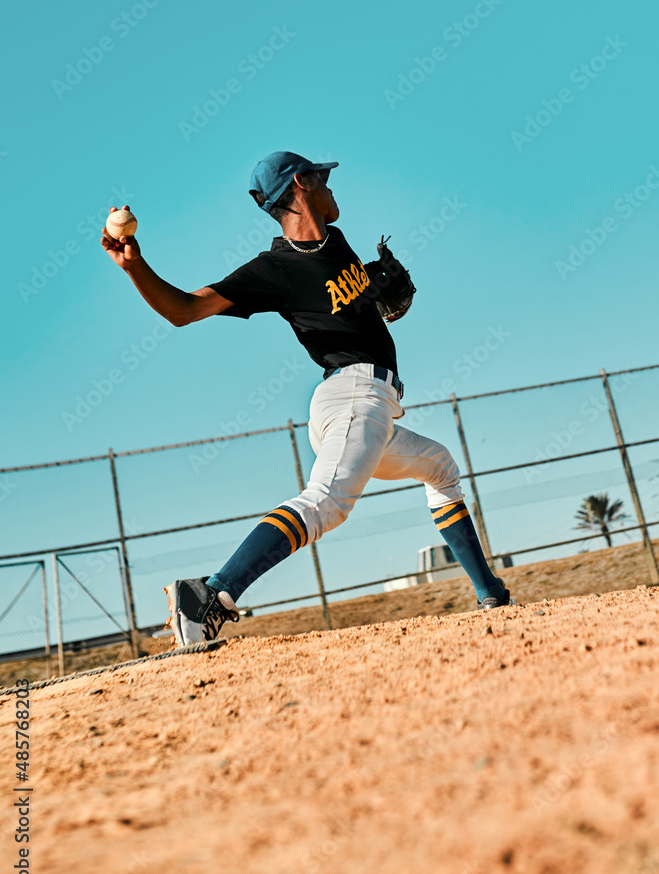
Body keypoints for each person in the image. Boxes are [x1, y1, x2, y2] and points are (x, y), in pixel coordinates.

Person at [101, 151, 514, 647]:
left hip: (369, 408)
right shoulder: (273, 269)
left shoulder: (337, 243)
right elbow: (184, 310)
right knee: (328, 504)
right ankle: (210, 595)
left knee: (440, 467)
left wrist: (380, 303)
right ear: (301, 183)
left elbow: (352, 308)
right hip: (354, 396)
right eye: (323, 177)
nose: (332, 185)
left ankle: (491, 592)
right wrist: (135, 266)